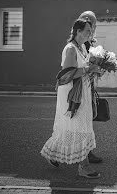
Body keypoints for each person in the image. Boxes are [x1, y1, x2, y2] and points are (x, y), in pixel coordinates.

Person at [41, 19, 102, 179]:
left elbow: (82, 69)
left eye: (91, 30)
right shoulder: (70, 49)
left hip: (82, 91)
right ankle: (84, 167)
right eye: (88, 30)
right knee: (79, 126)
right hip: (72, 95)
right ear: (78, 31)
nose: (91, 33)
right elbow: (66, 75)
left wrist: (94, 69)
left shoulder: (82, 47)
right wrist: (89, 69)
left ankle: (52, 154)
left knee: (70, 126)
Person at [78, 11, 103, 164]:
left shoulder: (89, 40)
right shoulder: (82, 42)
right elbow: (84, 64)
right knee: (83, 121)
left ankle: (87, 151)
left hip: (88, 85)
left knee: (87, 120)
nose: (94, 28)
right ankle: (86, 153)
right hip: (81, 87)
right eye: (93, 25)